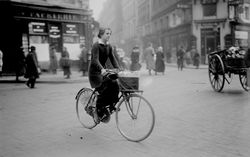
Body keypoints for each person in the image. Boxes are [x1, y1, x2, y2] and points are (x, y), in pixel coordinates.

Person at [88, 27, 120, 123]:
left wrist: (118, 68)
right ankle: (97, 109)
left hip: (103, 70)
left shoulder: (109, 46)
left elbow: (112, 58)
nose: (109, 35)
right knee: (104, 87)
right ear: (101, 34)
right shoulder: (96, 45)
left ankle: (110, 105)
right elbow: (95, 60)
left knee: (115, 83)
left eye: (110, 33)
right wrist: (101, 69)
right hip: (95, 72)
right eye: (107, 33)